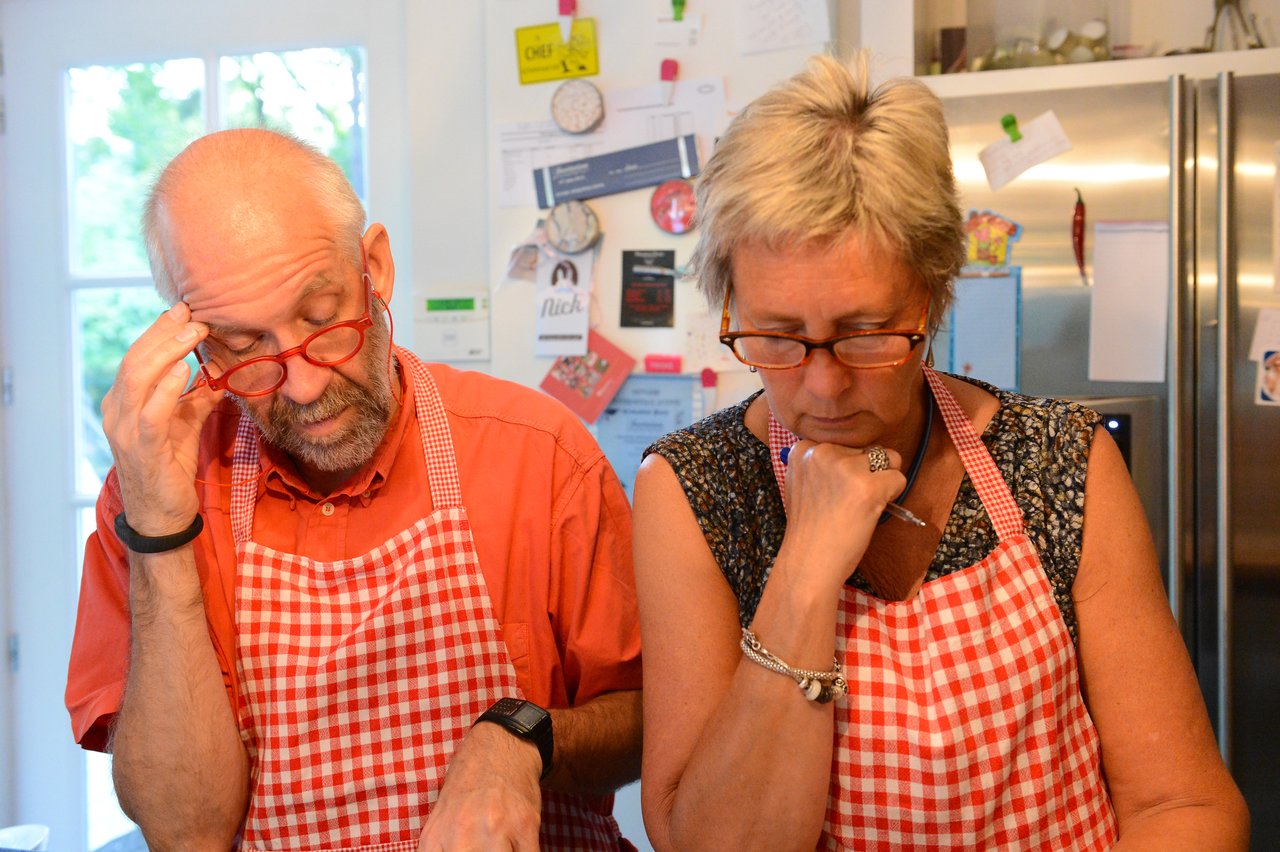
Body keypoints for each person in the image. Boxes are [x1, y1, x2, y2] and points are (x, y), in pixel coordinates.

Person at [632, 54, 1248, 850]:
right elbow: (706, 842)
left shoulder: (1060, 457)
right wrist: (807, 569)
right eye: (778, 337)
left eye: (864, 334)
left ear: (930, 293)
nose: (821, 389)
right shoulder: (691, 489)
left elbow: (1184, 808)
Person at [65, 128, 642, 851]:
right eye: (243, 349)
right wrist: (162, 534)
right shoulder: (155, 497)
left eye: (321, 319)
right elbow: (186, 833)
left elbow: (646, 720)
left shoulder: (539, 454)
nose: (303, 385)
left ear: (375, 267)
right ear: (196, 346)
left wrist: (522, 738)